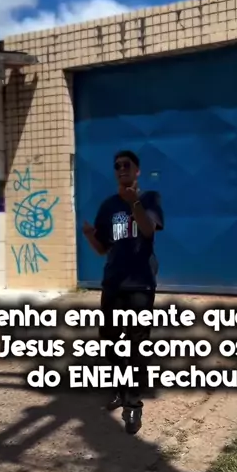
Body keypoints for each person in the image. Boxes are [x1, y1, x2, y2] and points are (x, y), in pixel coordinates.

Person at [82, 150, 164, 434]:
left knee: (137, 345)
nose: (121, 169)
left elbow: (148, 230)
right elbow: (103, 248)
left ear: (137, 170)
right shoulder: (108, 206)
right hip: (113, 284)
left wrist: (134, 203)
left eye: (126, 165)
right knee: (109, 342)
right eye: (117, 166)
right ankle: (120, 387)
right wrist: (91, 236)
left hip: (140, 284)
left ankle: (133, 405)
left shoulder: (150, 199)